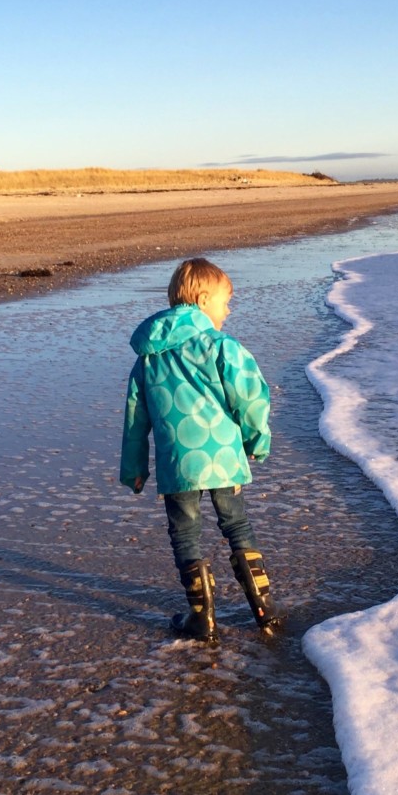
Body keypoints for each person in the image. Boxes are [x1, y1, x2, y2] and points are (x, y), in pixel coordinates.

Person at [120, 257, 285, 641]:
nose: (228, 309)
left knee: (185, 534)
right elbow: (250, 396)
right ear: (203, 298)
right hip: (224, 457)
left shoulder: (149, 357)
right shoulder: (220, 345)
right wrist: (257, 440)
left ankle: (202, 616)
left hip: (178, 464)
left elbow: (135, 417)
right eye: (226, 301)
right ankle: (263, 606)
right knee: (237, 523)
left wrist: (134, 466)